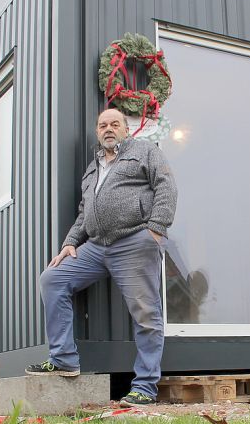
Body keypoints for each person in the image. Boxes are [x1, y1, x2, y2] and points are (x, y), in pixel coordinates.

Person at [26, 107, 177, 407]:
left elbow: (166, 186)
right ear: (97, 131)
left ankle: (144, 388)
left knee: (146, 315)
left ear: (126, 128)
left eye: (115, 124)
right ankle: (64, 359)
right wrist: (70, 243)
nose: (108, 128)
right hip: (96, 247)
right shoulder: (93, 168)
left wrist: (156, 230)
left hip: (134, 241)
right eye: (103, 125)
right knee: (53, 278)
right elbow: (85, 212)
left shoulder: (144, 151)